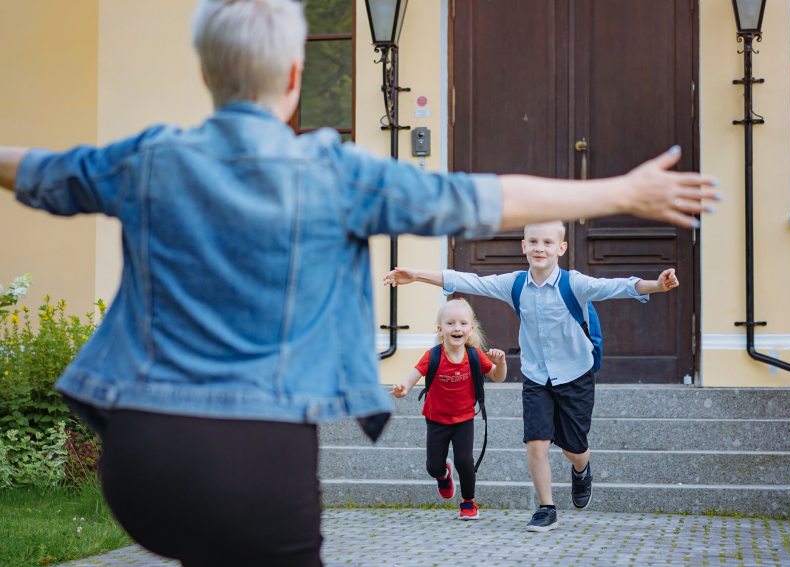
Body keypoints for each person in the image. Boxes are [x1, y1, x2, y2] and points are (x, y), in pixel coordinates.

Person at [0, 0, 718, 563]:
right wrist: (622, 188)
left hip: (141, 462)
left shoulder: (148, 158)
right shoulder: (335, 173)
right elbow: (486, 197)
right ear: (291, 78)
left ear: (208, 74)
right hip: (255, 458)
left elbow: (35, 170)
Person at [383, 220, 682, 533]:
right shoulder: (515, 284)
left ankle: (581, 468)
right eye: (534, 242)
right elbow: (469, 280)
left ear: (561, 248)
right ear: (524, 246)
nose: (541, 248)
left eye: (548, 243)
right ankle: (546, 507)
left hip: (575, 375)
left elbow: (614, 286)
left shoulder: (574, 284)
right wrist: (417, 275)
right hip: (536, 377)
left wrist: (655, 285)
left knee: (573, 448)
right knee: (536, 443)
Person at [390, 298, 506, 520]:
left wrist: (500, 364)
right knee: (433, 467)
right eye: (450, 323)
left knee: (465, 461)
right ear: (440, 329)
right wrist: (402, 388)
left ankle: (468, 502)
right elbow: (413, 375)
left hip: (464, 419)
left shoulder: (474, 355)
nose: (457, 328)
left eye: (463, 323)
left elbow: (497, 377)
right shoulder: (433, 355)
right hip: (436, 419)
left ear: (470, 329)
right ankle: (443, 474)